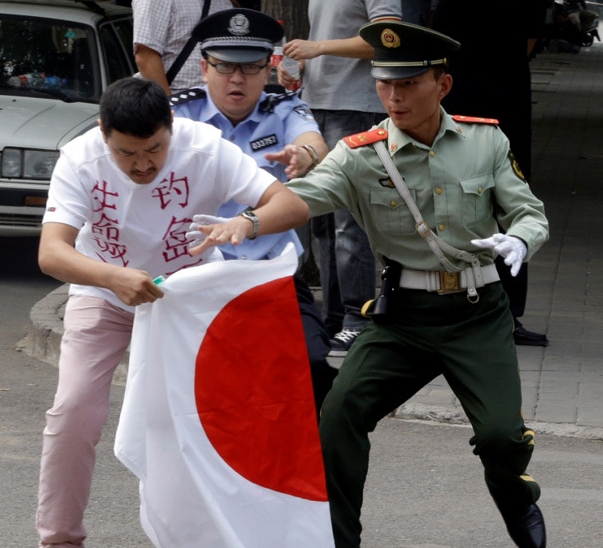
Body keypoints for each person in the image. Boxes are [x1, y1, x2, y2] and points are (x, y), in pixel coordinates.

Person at [190, 21, 549, 548]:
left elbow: (530, 212)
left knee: (501, 437)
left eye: (408, 84)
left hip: (477, 313)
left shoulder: (485, 140)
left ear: (442, 86)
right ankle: (339, 539)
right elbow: (303, 197)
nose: (394, 96)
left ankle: (514, 494)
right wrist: (248, 221)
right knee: (337, 417)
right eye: (385, 84)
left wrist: (520, 238)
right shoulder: (361, 154)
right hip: (402, 319)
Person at [34, 76, 308, 548]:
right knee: (74, 410)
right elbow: (51, 253)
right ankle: (60, 538)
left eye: (154, 150)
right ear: (104, 134)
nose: (142, 165)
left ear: (172, 128)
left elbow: (291, 204)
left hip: (188, 299)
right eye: (126, 153)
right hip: (105, 292)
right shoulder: (79, 159)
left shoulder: (205, 149)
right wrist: (111, 276)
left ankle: (224, 533)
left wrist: (247, 221)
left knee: (211, 418)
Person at [171, 8, 335, 412]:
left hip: (271, 272)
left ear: (268, 69)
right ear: (203, 67)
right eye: (225, 67)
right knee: (206, 378)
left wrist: (304, 155)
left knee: (313, 363)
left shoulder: (283, 109)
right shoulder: (178, 115)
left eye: (251, 67)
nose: (238, 79)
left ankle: (311, 467)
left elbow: (315, 143)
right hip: (202, 275)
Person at [278, 0, 402, 356]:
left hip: (357, 106)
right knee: (321, 222)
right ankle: (333, 320)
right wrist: (301, 65)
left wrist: (317, 48)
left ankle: (357, 318)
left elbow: (387, 38)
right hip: (318, 102)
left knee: (349, 223)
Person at [430, 0, 550, 347]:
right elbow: (529, 41)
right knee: (508, 195)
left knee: (466, 196)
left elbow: (439, 37)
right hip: (502, 91)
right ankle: (505, 312)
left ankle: (473, 307)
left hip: (465, 95)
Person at [132, 0, 234, 95]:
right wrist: (168, 107)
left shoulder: (222, 2)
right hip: (178, 99)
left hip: (216, 102)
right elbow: (145, 57)